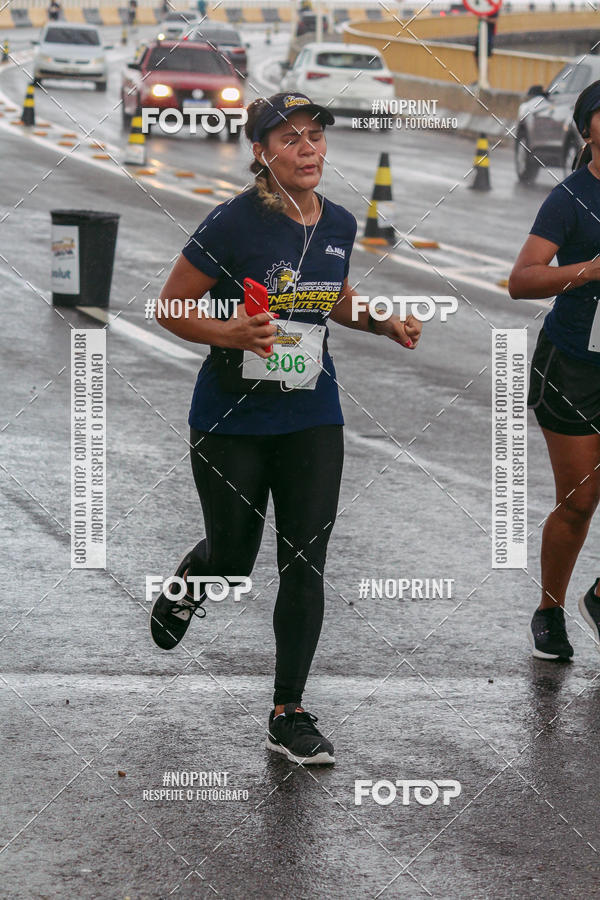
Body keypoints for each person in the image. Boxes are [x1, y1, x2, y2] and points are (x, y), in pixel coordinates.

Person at [150, 92, 422, 764]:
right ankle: (196, 575)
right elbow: (169, 305)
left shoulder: (339, 222)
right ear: (262, 152)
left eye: (317, 138)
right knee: (236, 558)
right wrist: (229, 331)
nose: (309, 150)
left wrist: (379, 321)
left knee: (305, 560)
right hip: (231, 420)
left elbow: (333, 296)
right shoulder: (231, 223)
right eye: (292, 139)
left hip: (310, 416)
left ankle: (288, 710)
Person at [509, 80, 600, 661]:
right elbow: (522, 280)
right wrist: (590, 270)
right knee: (580, 500)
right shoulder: (570, 198)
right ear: (589, 128)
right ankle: (550, 609)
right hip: (573, 364)